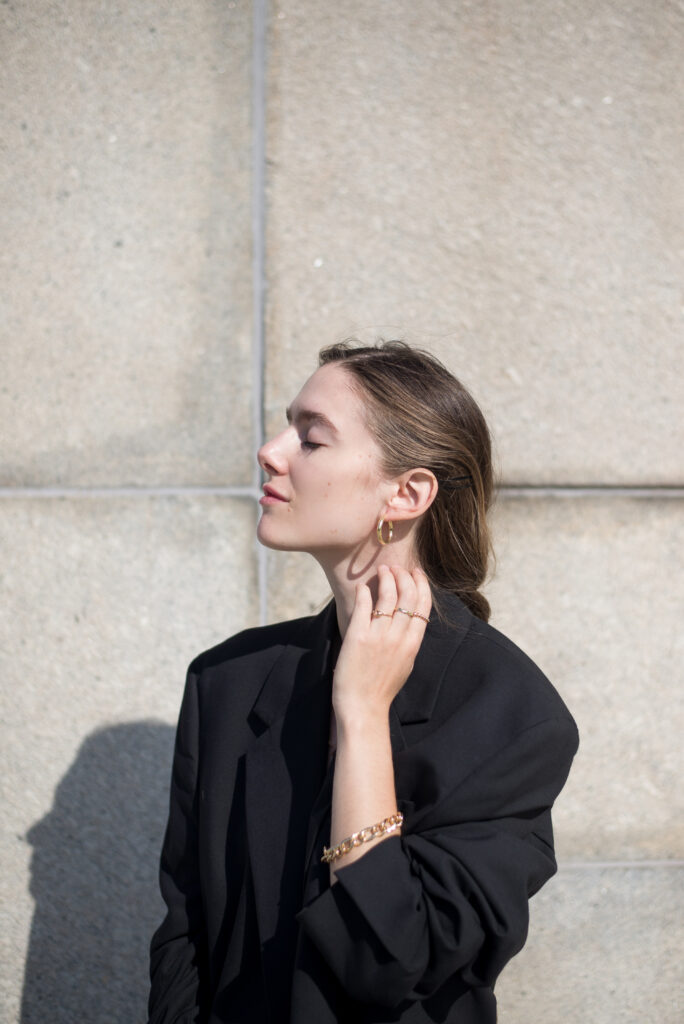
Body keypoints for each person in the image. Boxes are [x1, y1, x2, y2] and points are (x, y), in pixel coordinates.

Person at [148, 340, 579, 1024]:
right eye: (286, 426)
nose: (271, 449)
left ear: (406, 493)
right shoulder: (227, 682)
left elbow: (389, 958)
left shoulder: (511, 714)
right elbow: (185, 936)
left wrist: (362, 711)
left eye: (310, 438)